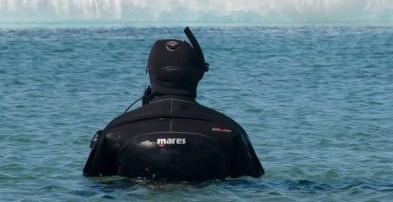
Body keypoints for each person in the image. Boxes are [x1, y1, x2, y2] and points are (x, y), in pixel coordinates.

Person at [83, 27, 264, 181]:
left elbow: (92, 184)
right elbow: (253, 185)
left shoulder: (115, 131)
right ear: (199, 75)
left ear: (150, 73)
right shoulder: (229, 131)